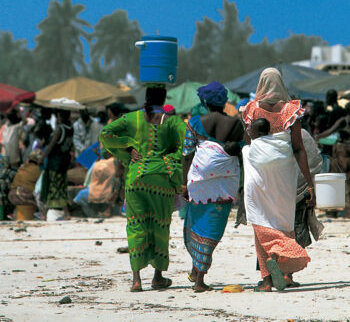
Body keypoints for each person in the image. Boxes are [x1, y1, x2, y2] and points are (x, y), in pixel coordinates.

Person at [100, 84, 186, 292]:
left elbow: (105, 134)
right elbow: (187, 143)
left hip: (136, 179)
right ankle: (157, 277)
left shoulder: (131, 118)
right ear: (164, 100)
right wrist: (172, 158)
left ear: (146, 98)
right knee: (160, 226)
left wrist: (128, 148)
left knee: (136, 226)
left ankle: (136, 280)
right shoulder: (173, 121)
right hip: (162, 180)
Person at [240, 68, 315, 292]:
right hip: (284, 173)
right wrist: (309, 182)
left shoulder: (251, 109)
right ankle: (287, 273)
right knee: (284, 218)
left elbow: (248, 141)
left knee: (260, 219)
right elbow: (298, 148)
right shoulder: (291, 109)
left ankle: (266, 280)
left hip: (258, 172)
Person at [182, 81, 244, 292]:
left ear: (205, 102)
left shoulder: (196, 122)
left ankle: (197, 276)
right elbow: (242, 151)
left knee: (196, 225)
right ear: (225, 101)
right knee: (212, 229)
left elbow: (187, 154)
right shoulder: (236, 124)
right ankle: (198, 275)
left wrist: (184, 183)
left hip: (199, 186)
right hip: (225, 186)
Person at [316, 102, 350, 217]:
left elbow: (330, 131)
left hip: (343, 150)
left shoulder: (343, 120)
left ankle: (339, 210)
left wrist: (317, 137)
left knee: (339, 177)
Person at [39, 109, 73, 220]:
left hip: (55, 162)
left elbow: (51, 145)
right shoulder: (71, 128)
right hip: (64, 162)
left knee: (51, 186)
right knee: (61, 187)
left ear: (60, 116)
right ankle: (64, 212)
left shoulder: (60, 129)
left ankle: (45, 212)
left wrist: (43, 157)